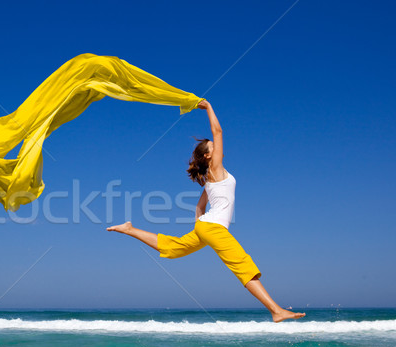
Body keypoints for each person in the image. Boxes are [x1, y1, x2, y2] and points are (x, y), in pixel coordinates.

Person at [107, 100, 305, 323]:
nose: (217, 147)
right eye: (213, 147)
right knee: (241, 263)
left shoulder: (211, 179)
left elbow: (200, 207)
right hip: (212, 227)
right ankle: (276, 311)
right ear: (209, 156)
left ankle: (130, 229)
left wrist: (200, 228)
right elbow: (218, 131)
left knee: (174, 248)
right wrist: (209, 107)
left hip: (207, 227)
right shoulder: (215, 169)